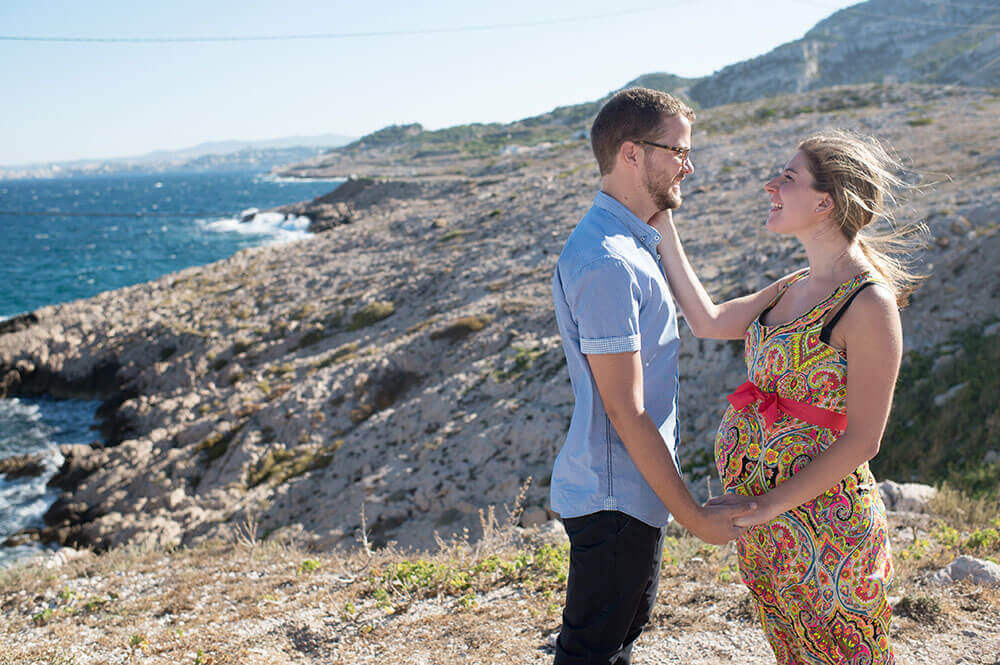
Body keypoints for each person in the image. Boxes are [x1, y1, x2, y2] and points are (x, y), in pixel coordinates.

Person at [650, 130, 924, 664]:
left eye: (788, 177)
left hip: (828, 532)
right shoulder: (792, 285)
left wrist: (763, 505)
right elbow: (707, 321)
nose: (771, 185)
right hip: (768, 533)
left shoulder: (868, 303)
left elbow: (864, 439)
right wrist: (663, 224)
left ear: (825, 201)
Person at [550, 87, 762, 665]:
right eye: (677, 150)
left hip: (631, 495)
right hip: (614, 497)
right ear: (631, 154)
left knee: (615, 644)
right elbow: (626, 409)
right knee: (591, 652)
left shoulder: (633, 243)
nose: (688, 165)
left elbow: (708, 317)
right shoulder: (608, 261)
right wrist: (695, 516)